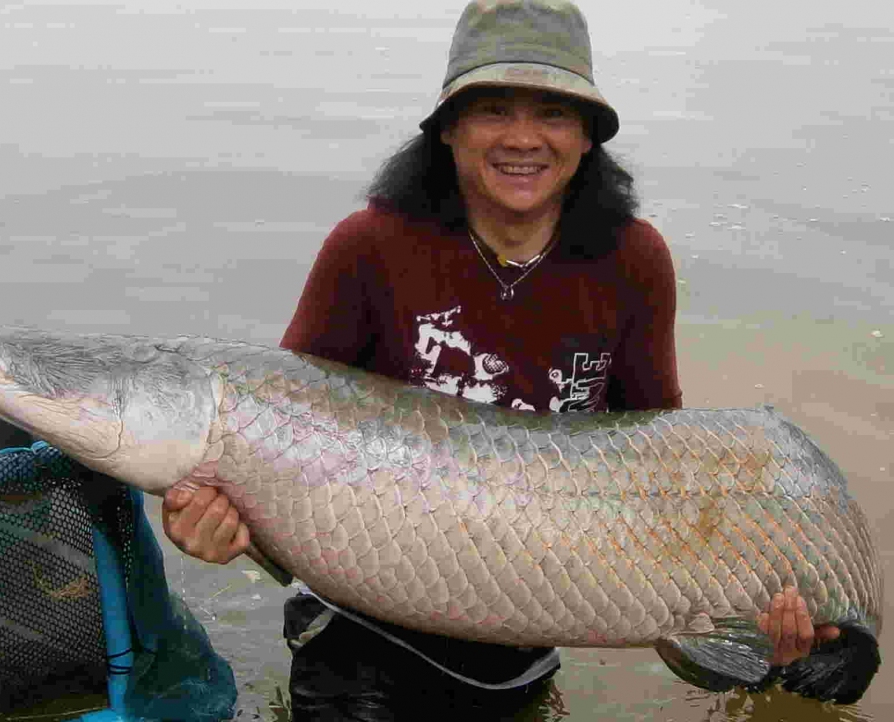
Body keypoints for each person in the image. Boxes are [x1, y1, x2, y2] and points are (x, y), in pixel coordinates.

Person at [163, 1, 840, 718]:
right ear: (449, 128)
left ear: (587, 136)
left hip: (526, 621)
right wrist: (212, 515)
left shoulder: (633, 259)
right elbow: (277, 420)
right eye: (493, 109)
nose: (523, 139)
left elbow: (660, 462)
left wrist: (748, 618)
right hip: (358, 625)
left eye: (553, 112)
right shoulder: (369, 246)